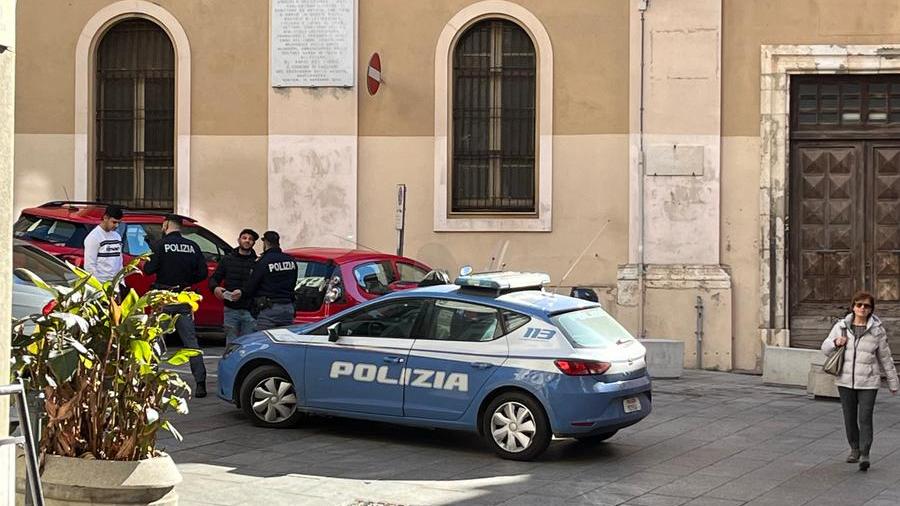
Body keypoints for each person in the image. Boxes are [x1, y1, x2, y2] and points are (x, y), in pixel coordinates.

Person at [821, 290, 899, 471]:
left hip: (869, 381)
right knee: (849, 417)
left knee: (865, 417)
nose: (862, 308)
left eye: (867, 306)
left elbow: (885, 358)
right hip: (845, 380)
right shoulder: (841, 327)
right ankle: (854, 448)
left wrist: (893, 382)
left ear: (871, 309)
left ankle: (865, 453)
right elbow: (825, 348)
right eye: (859, 305)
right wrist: (835, 343)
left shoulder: (877, 331)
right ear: (853, 306)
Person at [143, 214, 209, 397]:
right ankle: (201, 383)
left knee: (155, 340)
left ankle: (149, 382)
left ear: (165, 225)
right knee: (191, 342)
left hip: (164, 298)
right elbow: (203, 273)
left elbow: (147, 270)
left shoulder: (160, 246)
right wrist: (187, 282)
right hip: (183, 298)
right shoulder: (193, 247)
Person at [233, 231, 296, 330]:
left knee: (264, 341)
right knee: (283, 341)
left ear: (266, 242)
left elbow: (252, 285)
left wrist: (242, 292)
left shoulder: (263, 261)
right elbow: (293, 282)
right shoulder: (290, 260)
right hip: (288, 308)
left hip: (269, 308)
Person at [209, 228, 259, 344]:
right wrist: (215, 288)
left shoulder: (257, 262)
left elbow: (258, 284)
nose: (247, 241)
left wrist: (243, 292)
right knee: (231, 344)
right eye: (244, 238)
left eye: (250, 239)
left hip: (250, 310)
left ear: (254, 243)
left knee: (248, 344)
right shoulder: (227, 260)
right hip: (231, 309)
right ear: (239, 240)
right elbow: (214, 278)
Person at [83, 205, 124, 283]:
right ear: (105, 218)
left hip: (115, 285)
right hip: (100, 285)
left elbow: (119, 261)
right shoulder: (94, 237)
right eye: (114, 222)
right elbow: (89, 266)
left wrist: (121, 282)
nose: (116, 225)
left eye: (119, 223)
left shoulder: (117, 236)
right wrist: (100, 285)